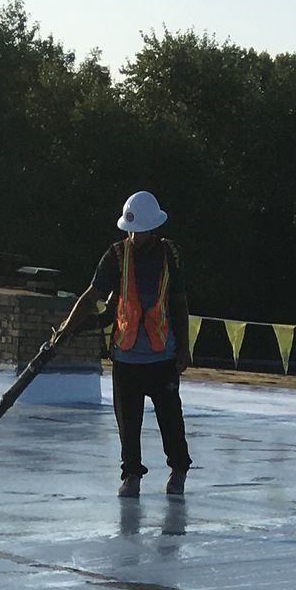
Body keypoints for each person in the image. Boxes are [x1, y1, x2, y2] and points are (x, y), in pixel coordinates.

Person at [56, 191, 193, 496]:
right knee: (127, 424)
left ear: (152, 228)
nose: (134, 235)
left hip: (162, 355)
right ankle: (131, 474)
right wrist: (68, 327)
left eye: (139, 229)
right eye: (130, 229)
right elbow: (92, 296)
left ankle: (178, 470)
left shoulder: (170, 255)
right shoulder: (116, 255)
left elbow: (179, 302)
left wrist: (184, 347)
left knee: (171, 420)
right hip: (126, 355)